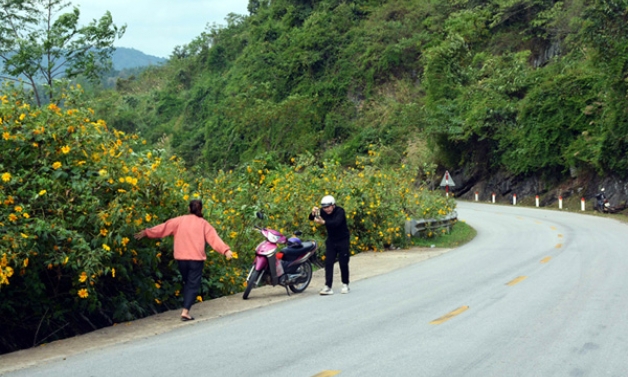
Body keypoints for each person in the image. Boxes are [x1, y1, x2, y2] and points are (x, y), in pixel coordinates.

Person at [134, 200, 233, 321]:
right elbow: (214, 239)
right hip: (196, 259)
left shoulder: (179, 221)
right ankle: (185, 312)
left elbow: (163, 228)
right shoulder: (204, 224)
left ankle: (185, 308)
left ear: (188, 208)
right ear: (201, 210)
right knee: (192, 285)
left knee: (188, 283)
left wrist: (147, 232)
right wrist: (225, 250)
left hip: (181, 259)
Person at [309, 195, 350, 295]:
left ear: (333, 205)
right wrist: (313, 213)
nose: (326, 210)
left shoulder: (340, 211)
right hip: (331, 240)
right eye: (324, 207)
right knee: (328, 263)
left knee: (343, 262)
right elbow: (311, 218)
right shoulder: (323, 211)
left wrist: (323, 222)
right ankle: (328, 286)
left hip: (343, 240)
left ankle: (345, 284)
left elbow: (335, 223)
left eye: (328, 207)